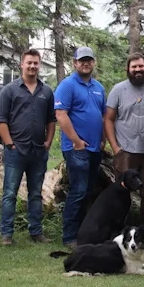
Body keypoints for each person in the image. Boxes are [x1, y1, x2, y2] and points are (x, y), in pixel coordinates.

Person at [0, 49, 56, 246]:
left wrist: (48, 142)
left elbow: (50, 120)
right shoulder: (9, 90)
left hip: (38, 151)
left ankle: (36, 232)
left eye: (36, 63)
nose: (32, 66)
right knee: (10, 193)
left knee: (36, 193)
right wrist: (9, 144)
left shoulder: (46, 92)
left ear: (39, 66)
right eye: (29, 63)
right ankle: (6, 234)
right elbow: (1, 120)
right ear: (21, 64)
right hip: (16, 151)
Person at [104, 53, 144, 235]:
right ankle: (119, 231)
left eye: (141, 66)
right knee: (121, 194)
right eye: (134, 67)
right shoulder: (118, 90)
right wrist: (115, 148)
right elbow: (108, 119)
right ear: (128, 70)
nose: (138, 70)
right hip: (126, 151)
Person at [55, 46, 107, 247]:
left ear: (93, 63)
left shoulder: (98, 87)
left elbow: (103, 116)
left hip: (94, 148)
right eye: (81, 60)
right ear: (75, 63)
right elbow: (61, 115)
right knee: (78, 191)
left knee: (88, 191)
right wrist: (76, 141)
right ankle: (69, 236)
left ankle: (84, 234)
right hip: (76, 148)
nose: (86, 63)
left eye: (89, 60)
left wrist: (103, 139)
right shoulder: (67, 85)